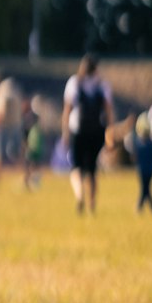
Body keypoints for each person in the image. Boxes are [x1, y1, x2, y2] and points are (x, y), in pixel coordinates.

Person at [61, 54, 115, 214]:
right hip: (97, 130)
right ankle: (92, 205)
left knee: (76, 168)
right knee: (92, 170)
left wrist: (65, 132)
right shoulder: (102, 85)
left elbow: (67, 110)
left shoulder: (74, 83)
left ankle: (79, 194)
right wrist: (109, 133)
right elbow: (109, 111)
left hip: (78, 130)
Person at [0, 69, 22, 186]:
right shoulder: (14, 86)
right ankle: (26, 177)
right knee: (18, 154)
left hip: (2, 125)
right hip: (16, 125)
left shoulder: (2, 88)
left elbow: (3, 105)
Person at [130, 112, 152, 214]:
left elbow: (134, 156)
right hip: (150, 170)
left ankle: (140, 207)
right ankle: (151, 207)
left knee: (144, 189)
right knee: (146, 188)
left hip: (142, 170)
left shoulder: (138, 143)